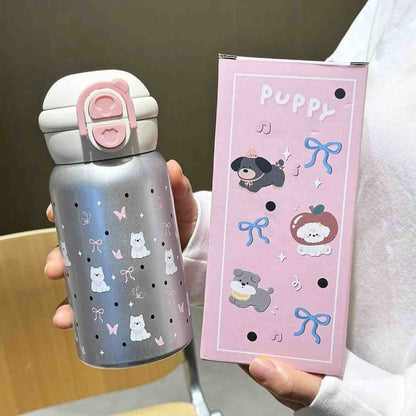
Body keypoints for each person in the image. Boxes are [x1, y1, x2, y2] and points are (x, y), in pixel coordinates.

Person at [44, 0, 416, 413]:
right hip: (316, 340)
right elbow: (332, 182)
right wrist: (198, 242)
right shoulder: (392, 9)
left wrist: (372, 401)